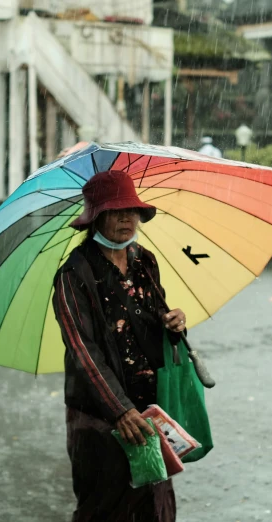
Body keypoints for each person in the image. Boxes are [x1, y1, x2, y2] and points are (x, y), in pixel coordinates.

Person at [52, 170, 187, 522]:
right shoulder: (73, 276)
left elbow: (154, 317)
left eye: (132, 210)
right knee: (105, 507)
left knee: (155, 506)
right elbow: (83, 350)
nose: (127, 219)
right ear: (96, 218)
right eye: (116, 211)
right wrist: (120, 410)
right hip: (100, 418)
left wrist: (173, 324)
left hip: (149, 411)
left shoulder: (145, 262)